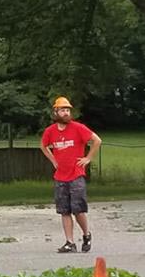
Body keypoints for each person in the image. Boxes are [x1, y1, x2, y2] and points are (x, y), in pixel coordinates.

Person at [40, 96, 102, 253]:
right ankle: (70, 242)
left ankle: (86, 234)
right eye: (63, 110)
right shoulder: (50, 131)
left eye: (68, 110)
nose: (66, 112)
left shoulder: (78, 128)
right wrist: (53, 160)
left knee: (78, 209)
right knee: (64, 210)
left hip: (76, 175)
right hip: (60, 176)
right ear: (56, 112)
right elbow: (43, 146)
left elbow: (97, 140)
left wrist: (88, 158)